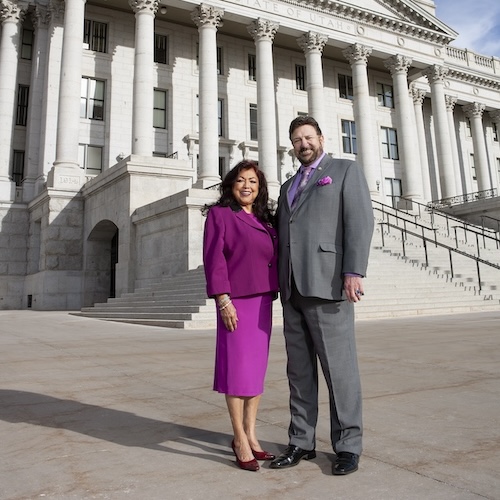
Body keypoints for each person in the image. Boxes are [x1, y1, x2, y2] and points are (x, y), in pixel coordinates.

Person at [270, 116, 374, 476]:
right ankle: (301, 441)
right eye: (296, 139)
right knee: (299, 373)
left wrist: (353, 271)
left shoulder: (344, 171)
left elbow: (359, 222)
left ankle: (347, 445)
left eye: (308, 137)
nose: (303, 144)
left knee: (340, 371)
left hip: (329, 286)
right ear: (292, 145)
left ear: (321, 138)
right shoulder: (287, 186)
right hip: (292, 289)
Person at [202, 160, 279, 472]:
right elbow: (214, 258)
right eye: (241, 181)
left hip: (263, 301)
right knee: (237, 372)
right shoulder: (220, 215)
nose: (247, 186)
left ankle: (251, 432)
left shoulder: (265, 220)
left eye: (254, 182)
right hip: (235, 302)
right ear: (231, 185)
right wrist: (223, 299)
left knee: (255, 372)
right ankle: (238, 437)